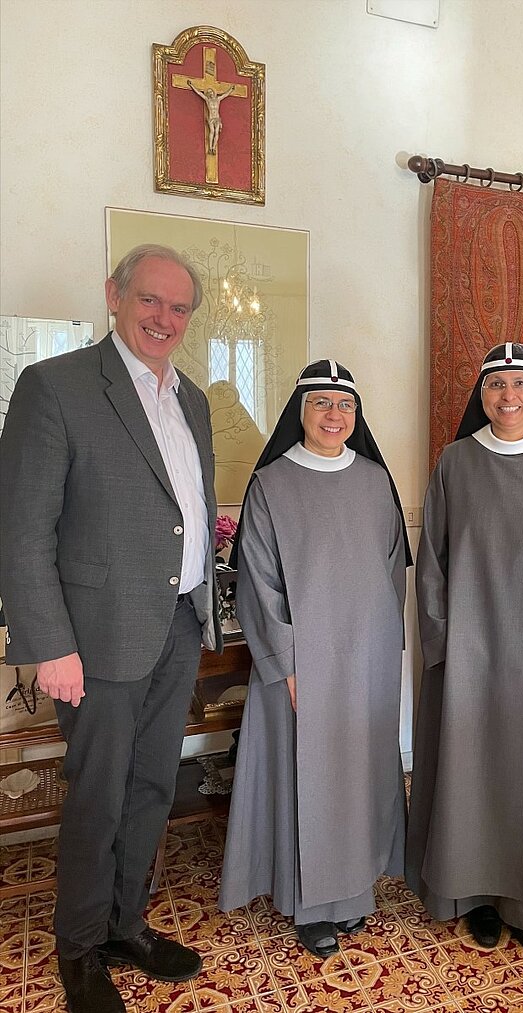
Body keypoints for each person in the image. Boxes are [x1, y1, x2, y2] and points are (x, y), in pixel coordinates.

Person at [0, 245, 222, 1013]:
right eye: (151, 301)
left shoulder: (190, 398)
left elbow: (181, 511)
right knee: (100, 792)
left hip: (179, 624)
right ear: (115, 296)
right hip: (96, 640)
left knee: (154, 786)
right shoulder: (55, 387)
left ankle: (128, 923)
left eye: (179, 307)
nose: (165, 318)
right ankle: (81, 946)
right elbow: (23, 528)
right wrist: (50, 643)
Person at [406, 343, 523, 950]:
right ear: (481, 395)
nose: (508, 397)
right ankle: (473, 896)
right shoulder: (455, 463)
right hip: (467, 654)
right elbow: (431, 563)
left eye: (520, 385)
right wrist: (442, 643)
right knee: (466, 776)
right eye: (496, 386)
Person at [219, 360, 412, 957]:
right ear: (300, 411)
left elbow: (390, 575)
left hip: (366, 660)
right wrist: (284, 662)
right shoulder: (272, 484)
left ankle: (353, 893)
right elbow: (257, 580)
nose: (335, 415)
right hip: (300, 665)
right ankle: (308, 905)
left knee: (357, 777)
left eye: (345, 405)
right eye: (322, 403)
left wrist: (386, 656)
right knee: (307, 779)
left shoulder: (377, 482)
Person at [188, 80, 234, 154]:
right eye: (209, 93)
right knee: (212, 131)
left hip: (217, 118)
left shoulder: (218, 99)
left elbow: (225, 95)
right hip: (211, 118)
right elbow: (199, 93)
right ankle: (210, 147)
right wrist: (192, 85)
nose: (211, 93)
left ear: (213, 93)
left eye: (211, 92)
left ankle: (214, 147)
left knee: (216, 132)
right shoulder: (207, 100)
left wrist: (231, 89)